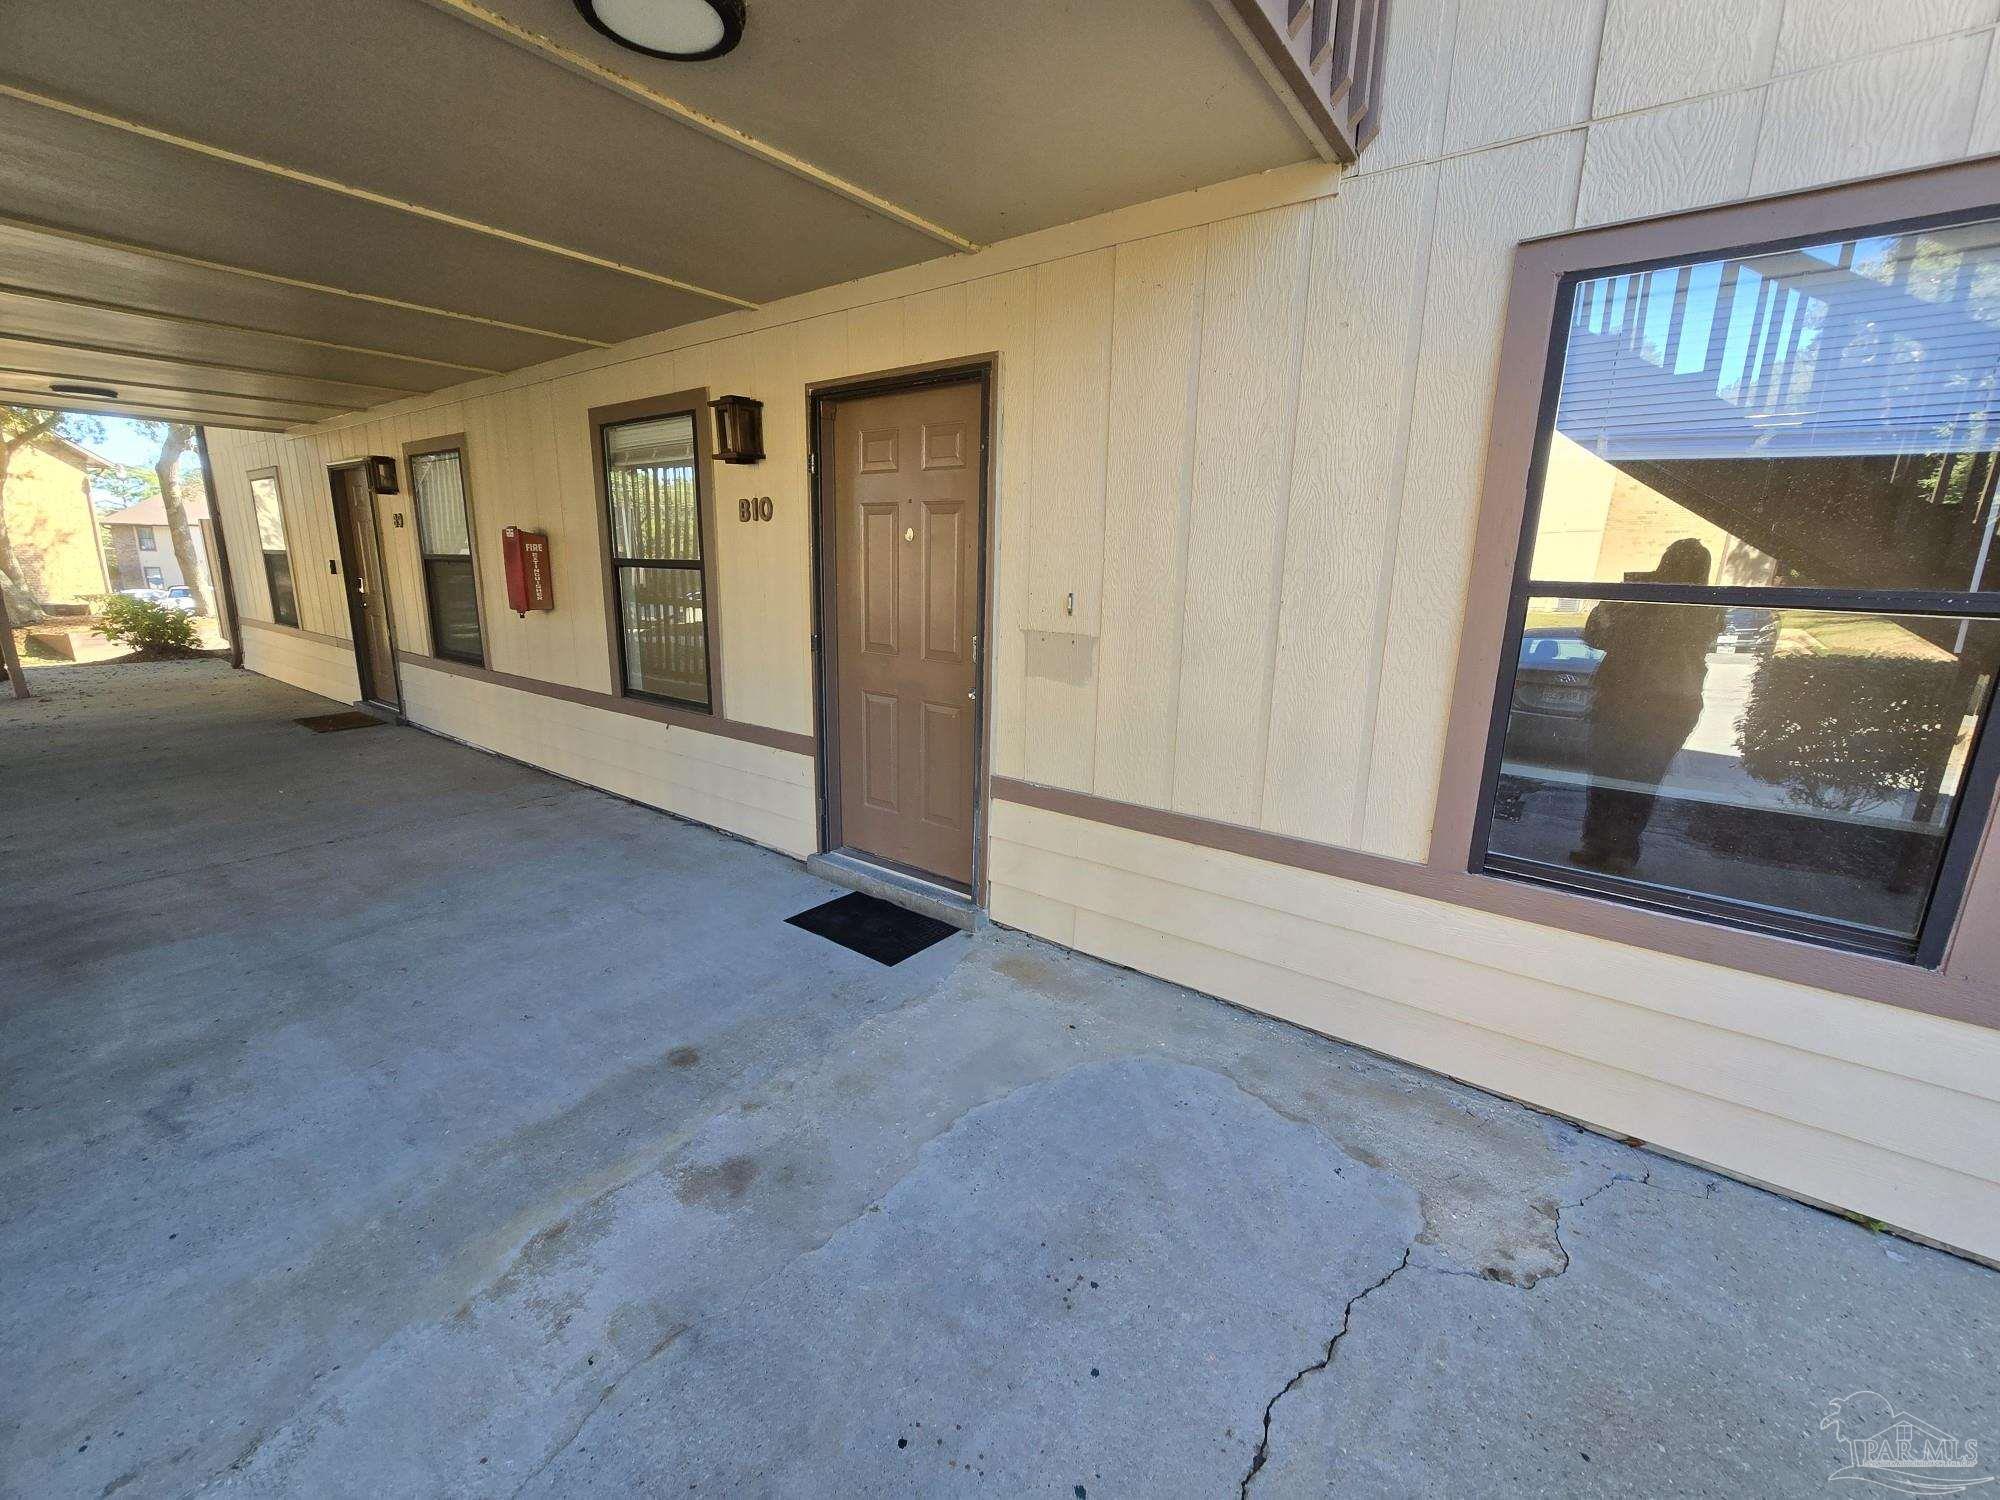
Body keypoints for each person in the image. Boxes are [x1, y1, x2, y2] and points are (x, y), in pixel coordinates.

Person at [1571, 538, 1725, 876]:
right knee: (1607, 770)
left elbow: (1692, 638)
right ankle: (1596, 843)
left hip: (1668, 703)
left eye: (1683, 565)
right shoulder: (1639, 596)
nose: (1674, 570)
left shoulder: (1707, 605)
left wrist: (1651, 604)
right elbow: (1595, 635)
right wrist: (1620, 601)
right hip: (1621, 696)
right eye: (1673, 562)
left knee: (1641, 776)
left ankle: (1622, 849)